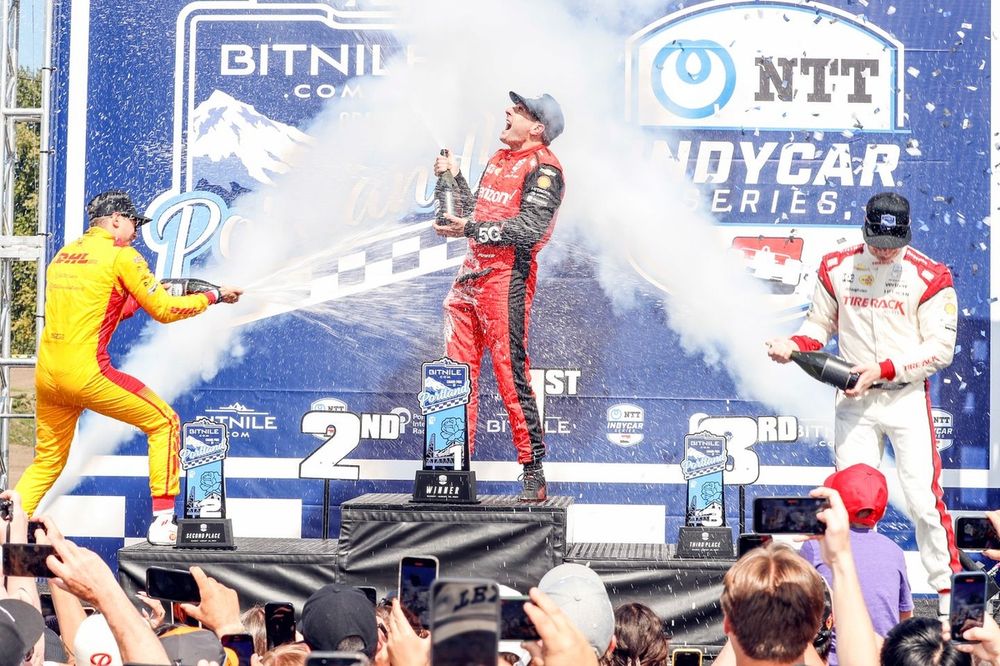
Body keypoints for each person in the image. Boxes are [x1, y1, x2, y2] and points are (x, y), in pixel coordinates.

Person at [15, 190, 243, 545]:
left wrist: (137, 298)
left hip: (47, 376)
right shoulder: (122, 256)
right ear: (116, 220)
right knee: (164, 422)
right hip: (86, 373)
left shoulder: (64, 255)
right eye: (134, 223)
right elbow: (166, 311)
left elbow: (102, 310)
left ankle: (10, 527)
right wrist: (212, 297)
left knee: (47, 462)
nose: (136, 231)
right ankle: (163, 523)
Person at [767, 191, 961, 606]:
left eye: (894, 245)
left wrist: (883, 369)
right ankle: (844, 586)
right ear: (864, 229)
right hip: (854, 397)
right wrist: (794, 345)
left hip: (904, 396)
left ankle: (949, 595)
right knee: (849, 497)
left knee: (924, 499)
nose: (885, 252)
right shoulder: (836, 266)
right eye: (877, 243)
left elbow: (940, 349)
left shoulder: (931, 276)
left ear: (907, 234)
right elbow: (818, 326)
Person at [433, 91, 566, 501]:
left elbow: (527, 230)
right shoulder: (497, 159)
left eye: (519, 111)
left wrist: (469, 230)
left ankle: (533, 473)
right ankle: (450, 468)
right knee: (453, 377)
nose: (508, 112)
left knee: (510, 375)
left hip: (505, 281)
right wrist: (454, 178)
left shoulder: (545, 169)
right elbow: (482, 215)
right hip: (469, 278)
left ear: (537, 127)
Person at [797, 463, 913, 664]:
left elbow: (795, 612)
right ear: (883, 512)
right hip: (883, 660)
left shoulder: (815, 545)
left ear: (833, 506)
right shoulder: (895, 551)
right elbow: (906, 618)